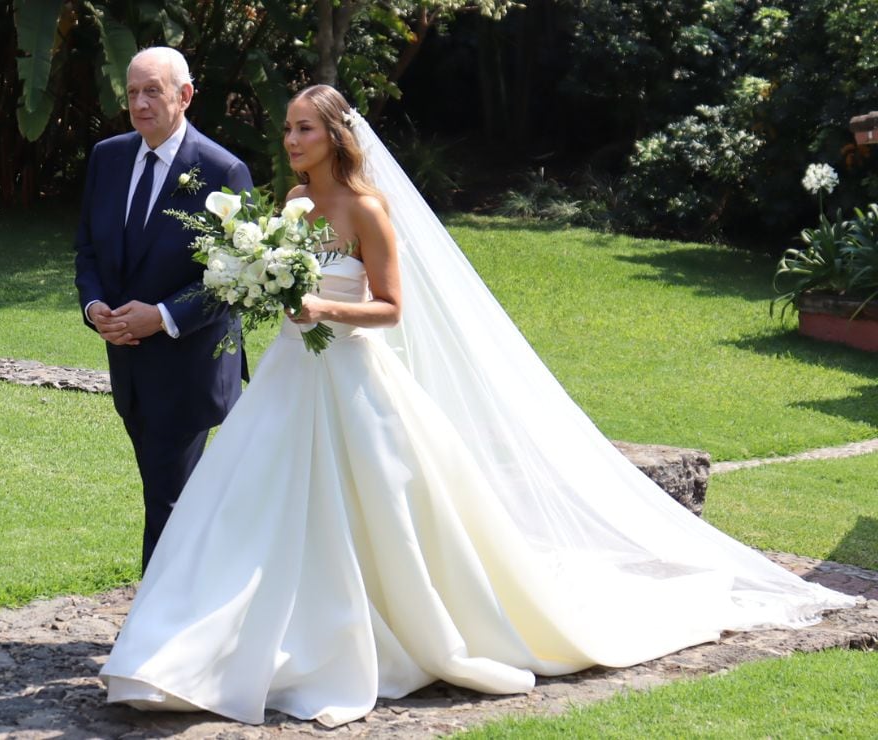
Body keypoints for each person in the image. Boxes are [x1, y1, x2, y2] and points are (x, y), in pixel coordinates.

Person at [98, 85, 858, 727]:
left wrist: (320, 310)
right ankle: (221, 631)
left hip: (352, 374)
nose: (290, 139)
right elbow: (277, 286)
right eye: (288, 128)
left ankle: (379, 629)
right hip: (293, 375)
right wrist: (271, 292)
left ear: (334, 135)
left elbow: (392, 308)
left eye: (303, 128)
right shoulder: (294, 204)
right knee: (250, 501)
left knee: (380, 509)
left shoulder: (367, 209)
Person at [74, 47, 253, 571]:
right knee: (167, 494)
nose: (140, 102)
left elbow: (233, 278)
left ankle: (154, 632)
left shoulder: (224, 170)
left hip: (189, 368)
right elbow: (88, 248)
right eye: (132, 92)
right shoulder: (107, 158)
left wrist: (164, 316)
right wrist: (95, 307)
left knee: (169, 504)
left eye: (153, 90)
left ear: (185, 95)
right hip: (129, 367)